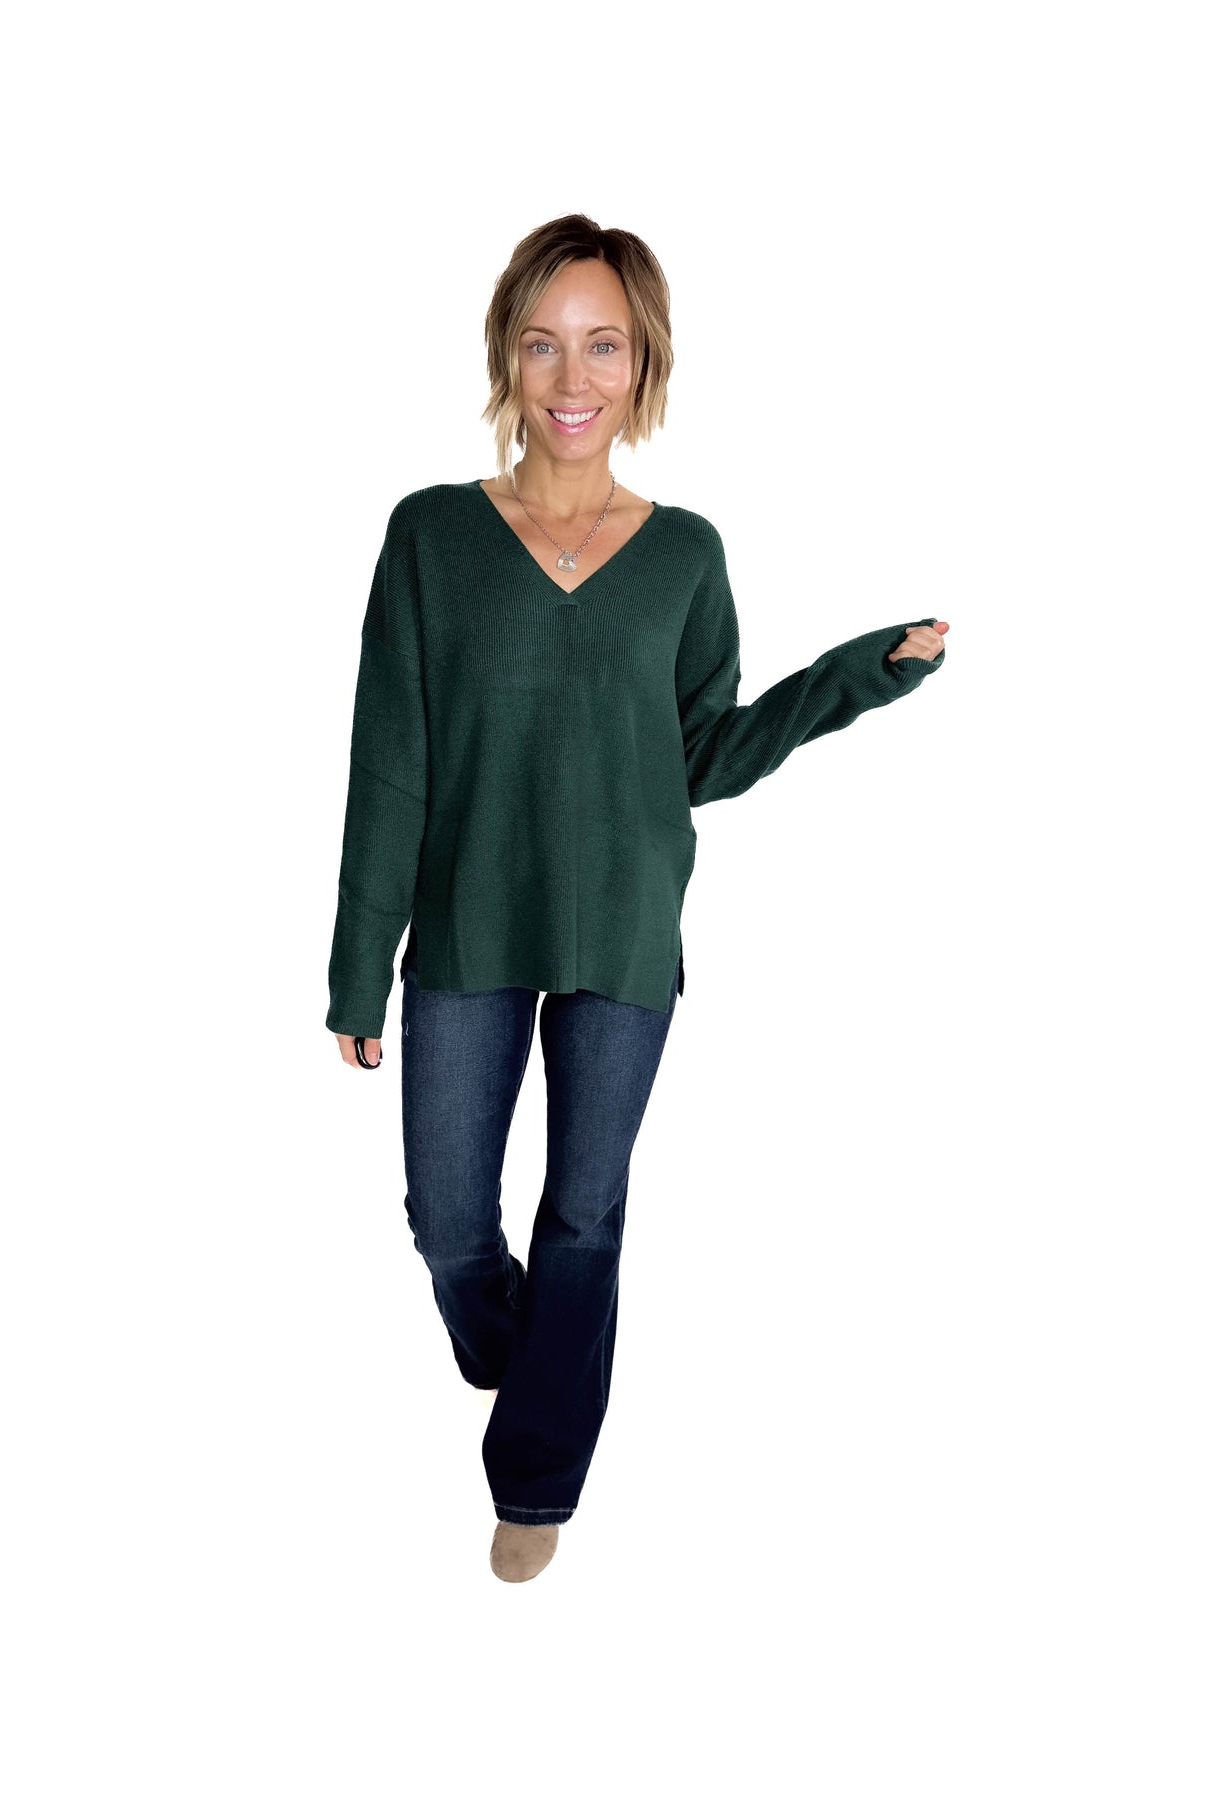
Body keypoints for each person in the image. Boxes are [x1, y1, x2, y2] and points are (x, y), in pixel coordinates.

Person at [325, 213, 949, 1584]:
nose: (572, 377)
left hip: (621, 929)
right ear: (507, 354)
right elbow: (388, 763)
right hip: (466, 923)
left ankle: (537, 1478)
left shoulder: (684, 555)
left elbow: (700, 756)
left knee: (583, 1218)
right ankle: (525, 1355)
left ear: (643, 364)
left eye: (603, 345)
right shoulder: (431, 536)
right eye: (544, 342)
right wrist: (357, 968)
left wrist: (852, 678)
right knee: (448, 1223)